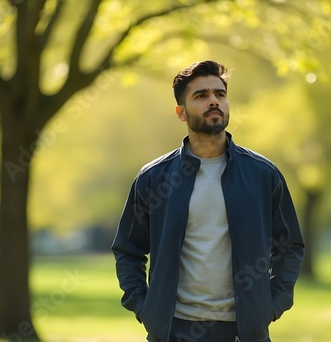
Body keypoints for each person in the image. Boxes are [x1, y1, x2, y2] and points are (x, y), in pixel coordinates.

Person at [112, 60, 304, 342]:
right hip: (172, 331)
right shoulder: (154, 178)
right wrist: (144, 307)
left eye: (220, 94)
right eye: (201, 96)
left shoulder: (263, 174)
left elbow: (289, 246)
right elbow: (128, 249)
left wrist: (272, 305)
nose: (213, 101)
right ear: (181, 112)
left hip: (245, 332)